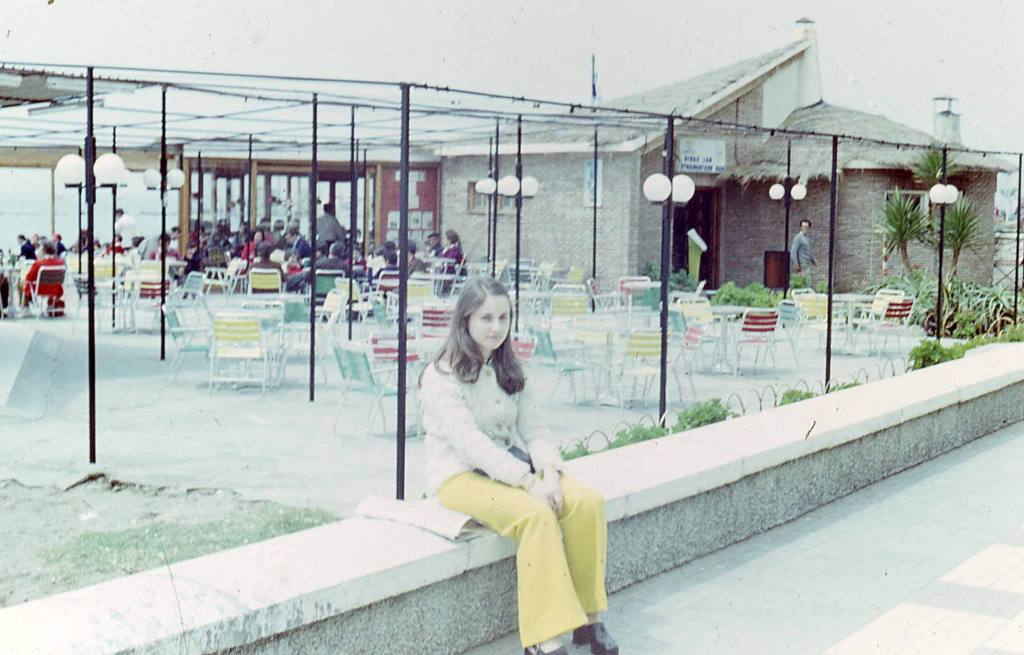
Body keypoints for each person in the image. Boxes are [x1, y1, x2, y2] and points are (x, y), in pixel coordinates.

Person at [419, 276, 615, 655]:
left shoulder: (508, 366)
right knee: (536, 516)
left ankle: (588, 619)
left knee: (586, 502)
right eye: (486, 318)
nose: (496, 328)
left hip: (510, 467)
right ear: (465, 320)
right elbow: (472, 446)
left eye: (503, 318)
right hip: (460, 476)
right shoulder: (441, 375)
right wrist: (528, 483)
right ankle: (543, 639)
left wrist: (550, 475)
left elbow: (535, 430)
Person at [23, 243, 65, 316]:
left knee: (22, 284)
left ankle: (26, 309)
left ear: (44, 251)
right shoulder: (60, 263)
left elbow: (28, 278)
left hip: (41, 289)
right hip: (56, 289)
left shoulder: (39, 263)